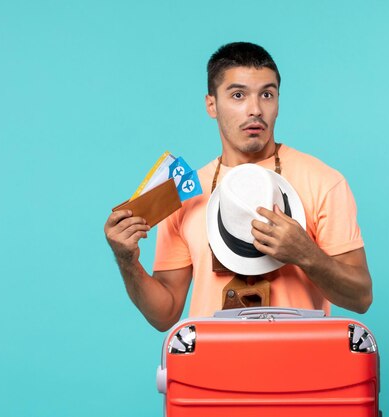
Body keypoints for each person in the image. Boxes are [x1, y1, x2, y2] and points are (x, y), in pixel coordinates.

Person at [105, 42, 372, 331]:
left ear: (278, 102)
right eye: (238, 95)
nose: (255, 109)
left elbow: (361, 298)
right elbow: (165, 314)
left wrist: (306, 255)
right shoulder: (185, 194)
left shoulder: (324, 182)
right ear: (211, 105)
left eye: (267, 95)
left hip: (301, 368)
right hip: (212, 371)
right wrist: (127, 261)